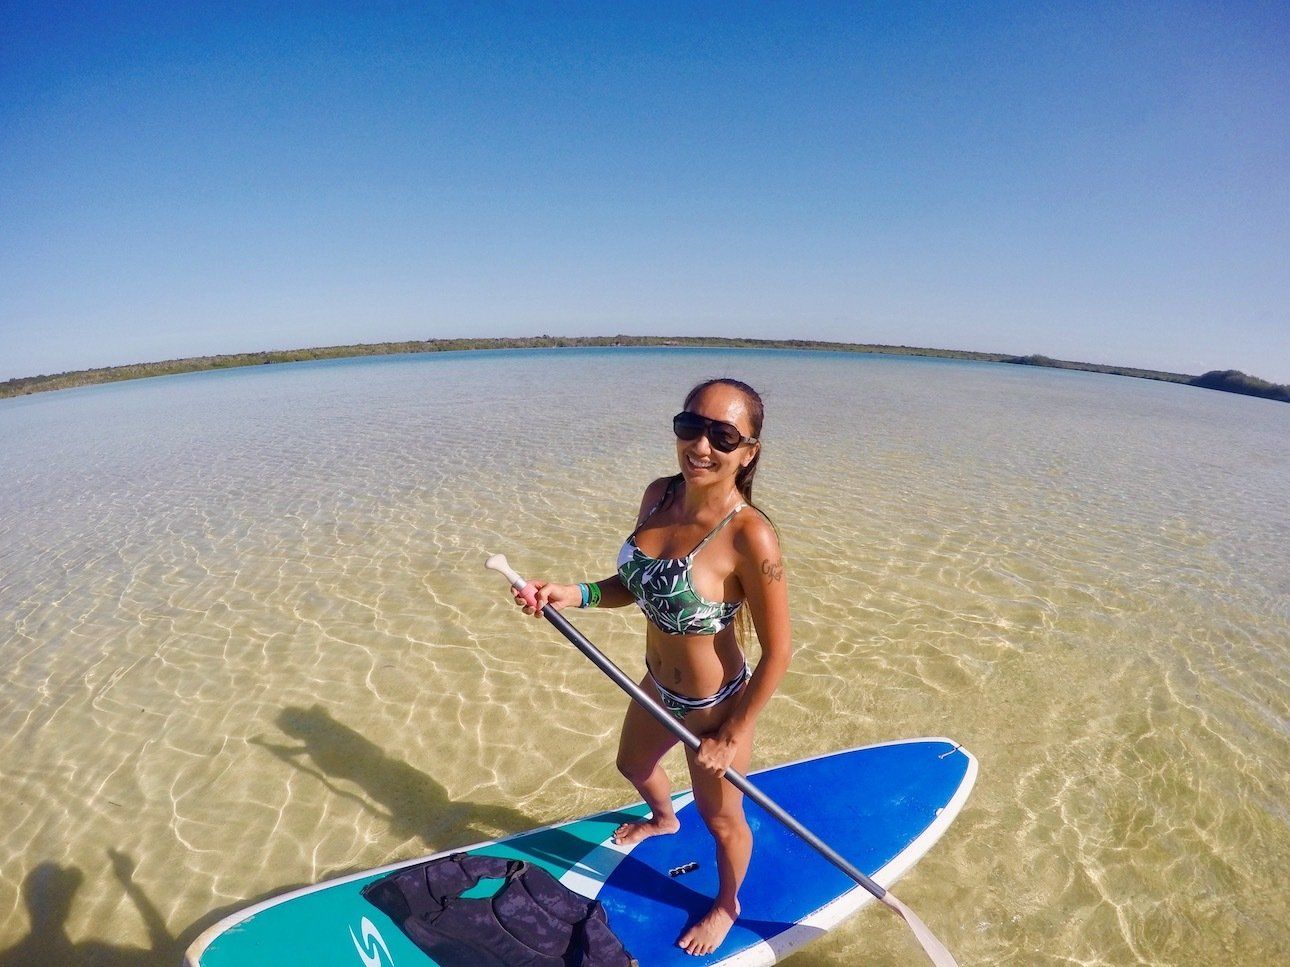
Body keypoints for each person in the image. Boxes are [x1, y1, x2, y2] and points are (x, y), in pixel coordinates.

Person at [514, 377, 791, 957]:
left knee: (721, 824)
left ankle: (726, 904)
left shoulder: (750, 536)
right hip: (656, 685)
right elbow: (636, 585)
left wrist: (732, 733)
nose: (702, 446)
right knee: (633, 762)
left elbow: (779, 652)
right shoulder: (659, 495)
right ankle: (664, 820)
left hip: (714, 710)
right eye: (691, 426)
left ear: (749, 451)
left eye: (722, 435)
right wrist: (573, 593)